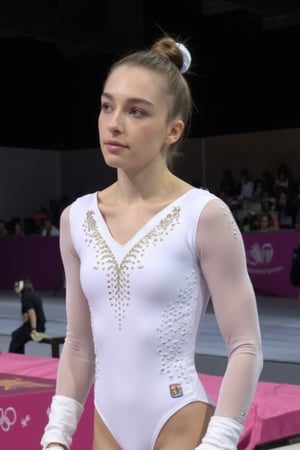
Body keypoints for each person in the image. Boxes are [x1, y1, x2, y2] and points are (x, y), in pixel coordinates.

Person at [41, 35, 263, 450]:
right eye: (108, 106)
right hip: (107, 425)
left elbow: (246, 345)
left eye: (136, 111)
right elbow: (79, 344)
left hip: (178, 420)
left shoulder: (204, 215)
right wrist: (58, 433)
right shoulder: (77, 219)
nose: (114, 123)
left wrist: (220, 441)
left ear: (172, 130)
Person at [9, 278, 46, 354]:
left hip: (35, 327)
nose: (15, 289)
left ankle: (13, 357)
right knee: (17, 335)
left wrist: (33, 330)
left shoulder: (25, 296)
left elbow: (32, 313)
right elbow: (25, 317)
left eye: (16, 286)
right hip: (40, 325)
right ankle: (19, 357)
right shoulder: (33, 294)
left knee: (16, 336)